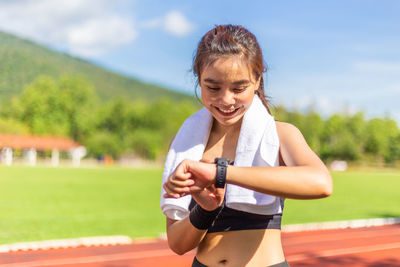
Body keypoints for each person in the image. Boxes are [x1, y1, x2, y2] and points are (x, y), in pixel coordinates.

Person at [161, 24, 332, 267]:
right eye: (213, 88)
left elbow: (321, 183)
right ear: (198, 79)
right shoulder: (184, 145)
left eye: (238, 88)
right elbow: (177, 244)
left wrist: (221, 173)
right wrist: (206, 210)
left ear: (257, 79)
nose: (226, 99)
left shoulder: (281, 135)